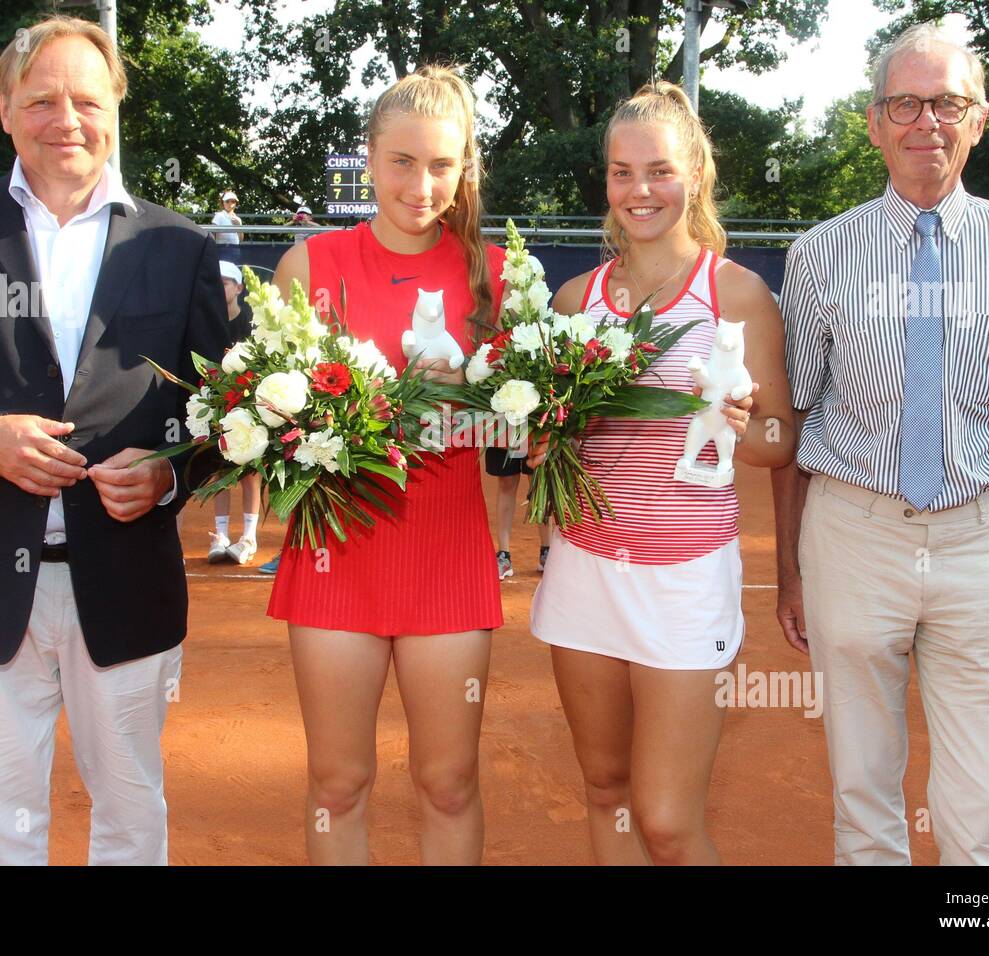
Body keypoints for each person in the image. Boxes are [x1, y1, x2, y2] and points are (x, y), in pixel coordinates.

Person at [0, 15, 230, 865]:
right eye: (43, 99)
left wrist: (168, 477)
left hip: (128, 579)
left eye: (88, 99)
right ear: (5, 109)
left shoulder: (181, 245)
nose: (68, 118)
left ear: (117, 109)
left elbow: (228, 416)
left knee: (133, 820)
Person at [772, 24, 989, 866]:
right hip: (852, 538)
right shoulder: (819, 256)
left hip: (984, 543)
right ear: (875, 122)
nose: (928, 122)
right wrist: (790, 570)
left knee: (985, 813)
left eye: (948, 102)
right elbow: (797, 422)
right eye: (906, 104)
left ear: (979, 119)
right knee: (862, 797)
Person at [527, 81, 795, 865]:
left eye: (658, 171)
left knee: (669, 821)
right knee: (606, 794)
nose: (639, 190)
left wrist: (748, 422)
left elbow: (780, 442)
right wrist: (544, 442)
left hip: (684, 582)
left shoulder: (736, 294)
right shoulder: (576, 297)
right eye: (620, 172)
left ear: (695, 176)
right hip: (583, 569)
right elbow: (553, 438)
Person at [267, 64, 506, 865]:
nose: (421, 183)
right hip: (338, 557)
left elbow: (520, 433)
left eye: (442, 164)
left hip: (448, 553)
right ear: (368, 158)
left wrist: (467, 413)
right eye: (402, 161)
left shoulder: (497, 278)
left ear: (464, 166)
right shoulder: (311, 267)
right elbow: (275, 428)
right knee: (338, 782)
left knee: (448, 782)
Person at [208, 259, 261, 565]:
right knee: (219, 471)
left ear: (239, 288)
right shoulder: (207, 321)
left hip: (249, 405)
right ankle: (221, 536)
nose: (220, 288)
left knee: (249, 473)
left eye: (226, 283)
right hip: (217, 404)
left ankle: (249, 537)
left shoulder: (252, 322)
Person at [484, 443, 551, 579]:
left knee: (538, 481)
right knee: (506, 481)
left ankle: (547, 550)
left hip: (537, 425)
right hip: (506, 425)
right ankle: (504, 555)